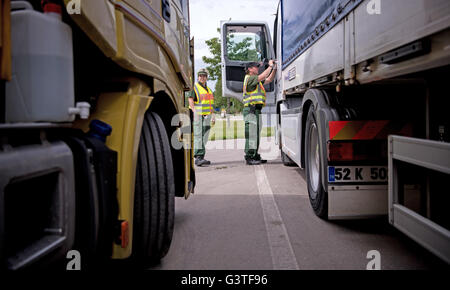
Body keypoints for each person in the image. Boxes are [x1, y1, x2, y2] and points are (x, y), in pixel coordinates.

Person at [243, 60, 277, 165]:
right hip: (251, 110)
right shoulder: (250, 79)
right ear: (249, 69)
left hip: (255, 110)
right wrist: (270, 66)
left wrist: (274, 69)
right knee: (252, 134)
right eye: (255, 67)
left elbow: (269, 79)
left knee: (256, 133)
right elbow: (263, 76)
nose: (257, 68)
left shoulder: (255, 82)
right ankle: (250, 156)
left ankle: (254, 155)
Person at [189, 68, 216, 166]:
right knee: (198, 136)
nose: (202, 78)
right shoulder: (195, 87)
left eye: (204, 76)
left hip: (207, 116)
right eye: (200, 76)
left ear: (207, 77)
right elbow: (190, 100)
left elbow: (210, 104)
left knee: (205, 136)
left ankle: (201, 156)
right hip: (198, 115)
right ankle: (198, 157)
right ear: (198, 77)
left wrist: (213, 115)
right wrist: (194, 111)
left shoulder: (209, 90)